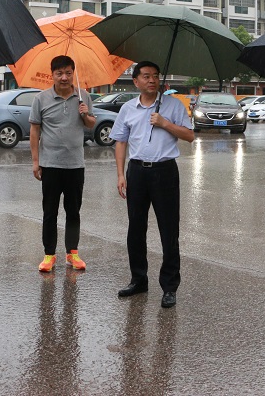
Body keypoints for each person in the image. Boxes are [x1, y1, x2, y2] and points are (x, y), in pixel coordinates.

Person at [110, 61, 194, 309]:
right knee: (135, 229)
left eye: (155, 76)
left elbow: (189, 136)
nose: (151, 80)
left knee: (169, 231)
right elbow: (120, 142)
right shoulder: (127, 108)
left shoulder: (173, 105)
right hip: (136, 172)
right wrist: (120, 174)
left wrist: (165, 123)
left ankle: (169, 286)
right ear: (135, 81)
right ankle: (139, 279)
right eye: (146, 76)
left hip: (165, 172)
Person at [29, 55, 95, 273]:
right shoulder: (41, 99)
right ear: (52, 75)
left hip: (75, 165)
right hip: (50, 165)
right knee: (50, 211)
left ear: (73, 73)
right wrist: (36, 161)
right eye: (59, 73)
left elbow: (91, 125)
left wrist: (86, 115)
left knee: (73, 211)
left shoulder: (82, 95)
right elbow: (34, 130)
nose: (64, 77)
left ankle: (72, 253)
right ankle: (49, 255)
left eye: (68, 72)